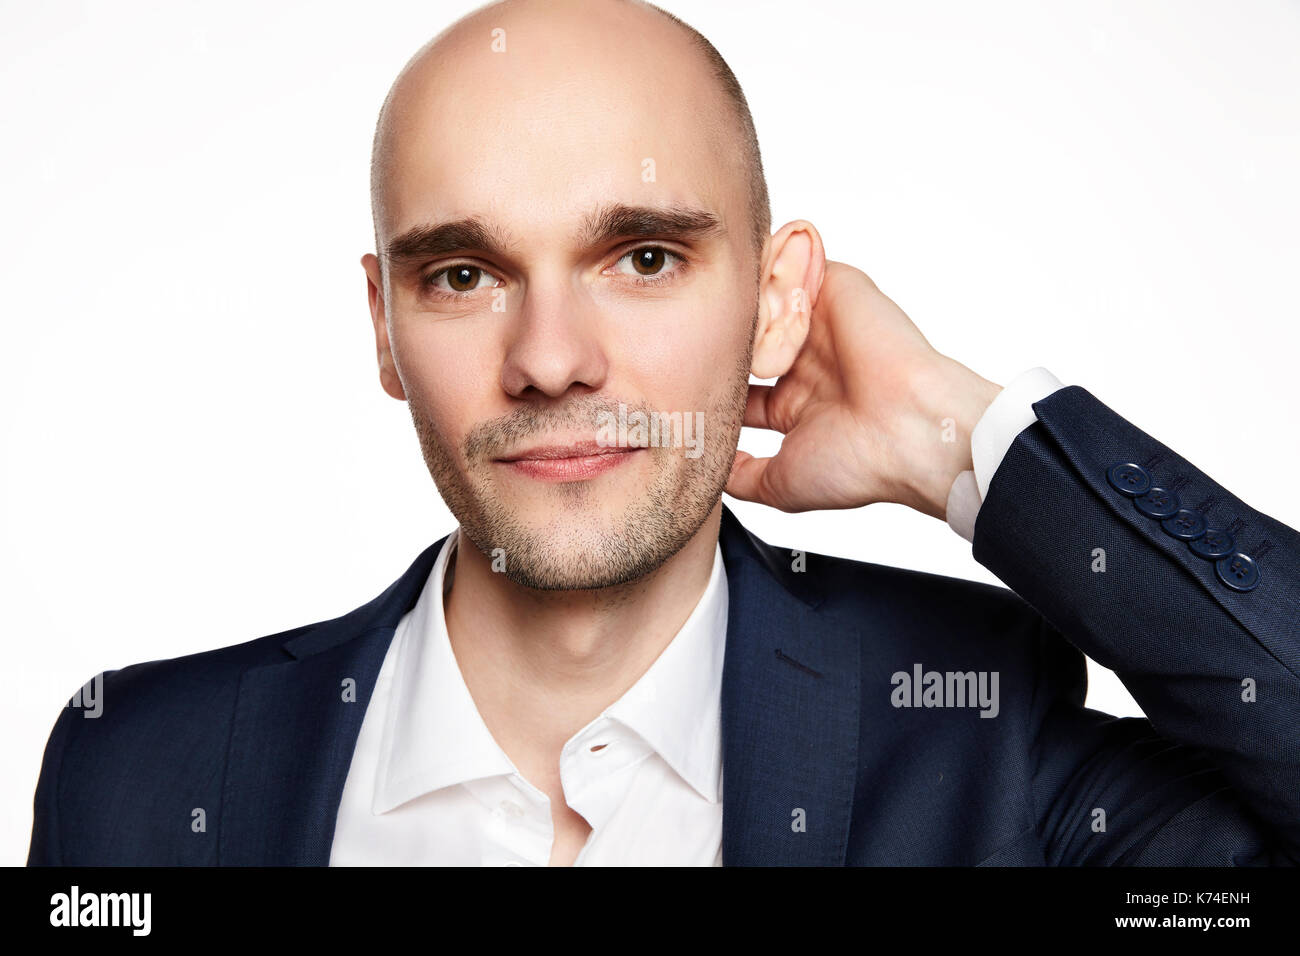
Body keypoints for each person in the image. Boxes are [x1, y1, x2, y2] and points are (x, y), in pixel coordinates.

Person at [27, 0, 1299, 866]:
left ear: (775, 300)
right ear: (382, 325)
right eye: (463, 275)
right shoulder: (136, 776)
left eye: (642, 256)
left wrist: (953, 440)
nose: (550, 360)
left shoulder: (980, 751)